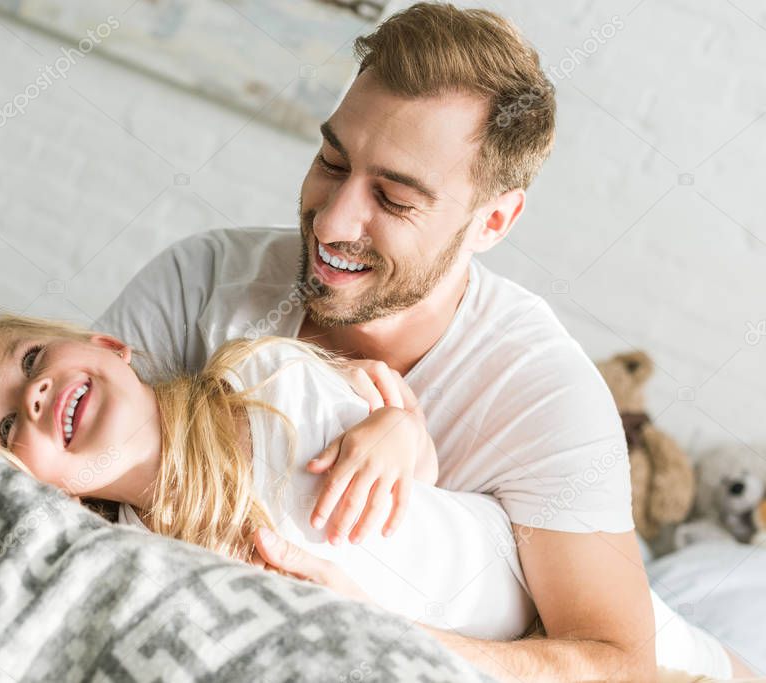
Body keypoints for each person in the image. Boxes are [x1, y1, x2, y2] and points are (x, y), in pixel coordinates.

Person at [91, 3, 756, 679]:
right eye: (332, 161)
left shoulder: (542, 396)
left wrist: (370, 630)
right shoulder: (203, 283)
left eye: (394, 199)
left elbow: (619, 660)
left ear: (493, 221)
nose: (332, 222)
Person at [0, 312, 737, 678]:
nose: (34, 394)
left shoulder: (261, 375)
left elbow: (415, 477)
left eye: (30, 360)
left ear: (107, 344)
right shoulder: (141, 552)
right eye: (6, 427)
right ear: (35, 490)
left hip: (574, 614)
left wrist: (402, 433)